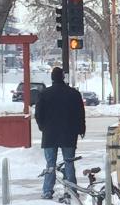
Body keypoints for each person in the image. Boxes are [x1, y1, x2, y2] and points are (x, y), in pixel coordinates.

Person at [35, 66, 86, 198]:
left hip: (49, 134)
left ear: (52, 78)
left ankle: (47, 190)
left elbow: (38, 114)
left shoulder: (44, 94)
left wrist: (42, 127)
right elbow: (80, 113)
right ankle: (71, 190)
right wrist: (81, 129)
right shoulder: (73, 93)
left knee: (50, 164)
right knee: (69, 162)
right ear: (63, 77)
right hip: (69, 133)